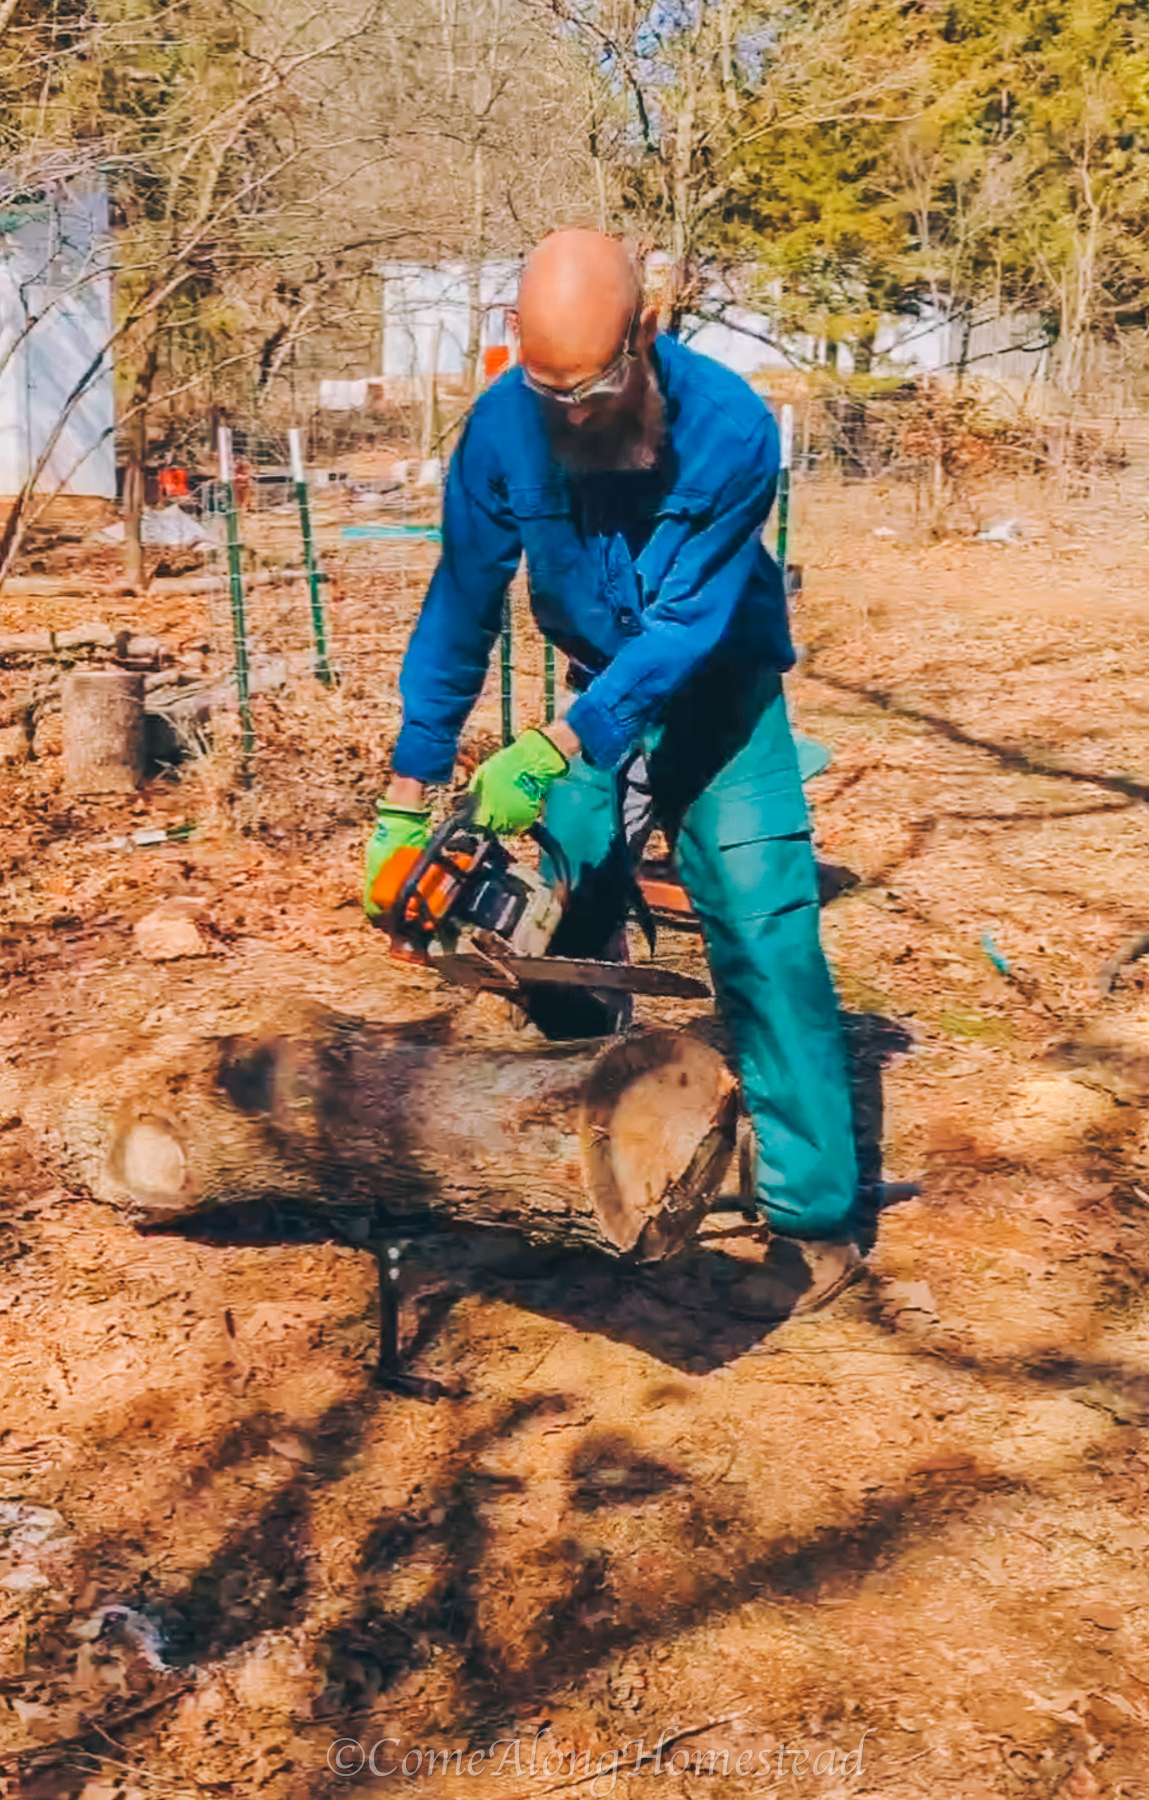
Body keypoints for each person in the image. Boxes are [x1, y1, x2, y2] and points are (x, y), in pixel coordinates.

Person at [365, 230, 868, 1308]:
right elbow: (461, 602)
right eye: (553, 395)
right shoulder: (506, 426)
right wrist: (407, 796)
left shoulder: (731, 429)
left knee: (764, 935)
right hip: (600, 695)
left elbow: (687, 629)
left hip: (720, 699)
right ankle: (581, 1151)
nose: (574, 417)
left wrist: (555, 743)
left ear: (647, 331)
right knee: (548, 921)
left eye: (592, 389)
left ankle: (811, 1221)